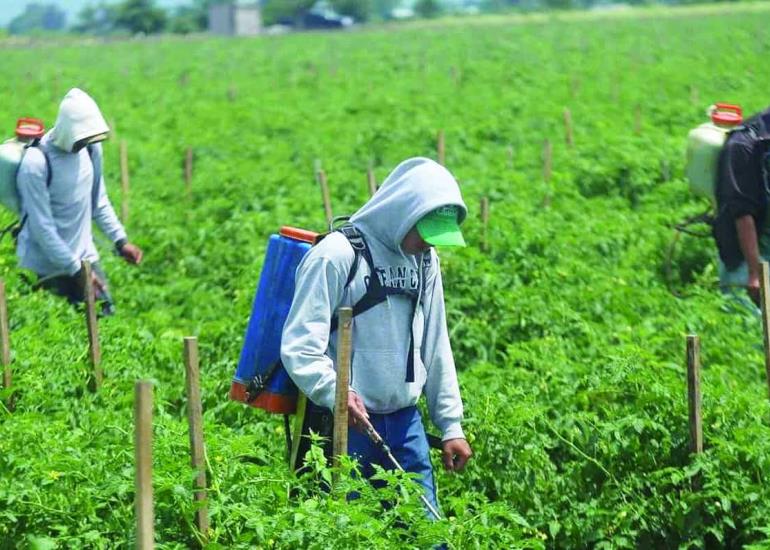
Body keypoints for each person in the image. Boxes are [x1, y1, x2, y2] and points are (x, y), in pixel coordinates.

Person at [281, 157, 473, 516]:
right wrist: (336, 391)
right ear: (404, 213)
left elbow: (435, 344)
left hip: (405, 423)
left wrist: (451, 426)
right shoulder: (337, 255)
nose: (426, 245)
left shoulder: (426, 262)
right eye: (424, 233)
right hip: (344, 423)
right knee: (347, 531)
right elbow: (300, 345)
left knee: (425, 532)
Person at [15, 88, 142, 315]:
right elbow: (42, 228)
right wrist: (78, 270)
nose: (83, 144)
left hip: (84, 260)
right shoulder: (36, 163)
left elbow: (98, 201)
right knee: (50, 333)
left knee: (105, 322)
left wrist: (121, 241)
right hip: (43, 269)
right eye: (80, 140)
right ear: (68, 130)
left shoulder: (92, 148)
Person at [713, 106, 770, 309]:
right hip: (747, 259)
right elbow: (742, 213)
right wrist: (755, 273)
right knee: (748, 325)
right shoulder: (743, 144)